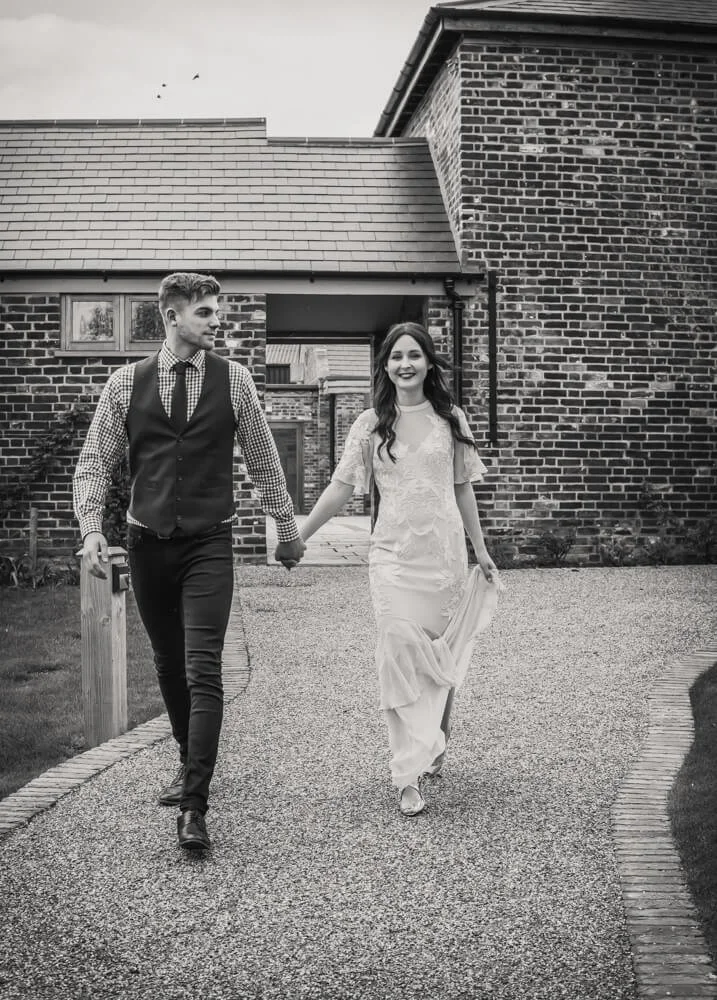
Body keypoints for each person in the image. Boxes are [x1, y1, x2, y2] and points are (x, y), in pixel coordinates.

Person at [73, 272, 305, 851]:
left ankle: (195, 806)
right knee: (169, 663)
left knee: (204, 667)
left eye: (216, 311)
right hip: (148, 541)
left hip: (209, 542)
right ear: (171, 316)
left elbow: (261, 453)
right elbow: (95, 463)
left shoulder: (237, 381)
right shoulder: (126, 384)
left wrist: (286, 525)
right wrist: (91, 530)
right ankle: (186, 758)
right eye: (205, 312)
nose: (216, 321)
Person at [299, 322, 501, 817]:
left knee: (437, 658)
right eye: (395, 357)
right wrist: (298, 536)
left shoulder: (451, 419)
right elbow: (343, 486)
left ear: (429, 363)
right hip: (391, 557)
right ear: (385, 366)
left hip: (443, 559)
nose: (404, 364)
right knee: (395, 649)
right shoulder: (368, 424)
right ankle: (406, 775)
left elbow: (462, 487)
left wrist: (481, 549)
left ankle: (432, 732)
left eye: (414, 355)